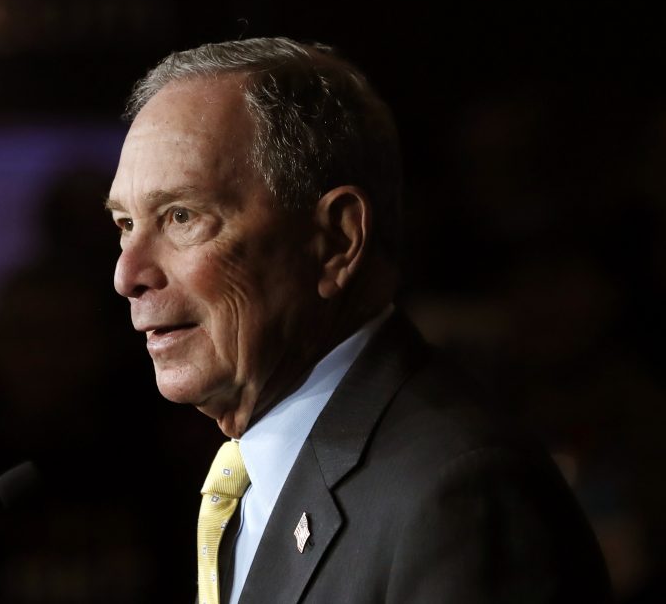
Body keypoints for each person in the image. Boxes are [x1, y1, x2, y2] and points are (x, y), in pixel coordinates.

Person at [105, 38, 612, 603]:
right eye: (125, 224)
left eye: (181, 216)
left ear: (336, 241)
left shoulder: (460, 494)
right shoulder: (242, 478)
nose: (128, 275)